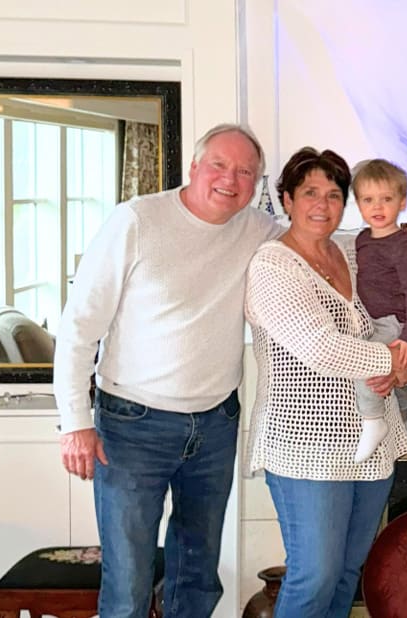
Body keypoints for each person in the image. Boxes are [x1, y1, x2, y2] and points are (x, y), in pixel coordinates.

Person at [54, 124, 285, 617]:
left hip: (216, 425)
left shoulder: (260, 230)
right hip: (132, 426)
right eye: (220, 165)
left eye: (246, 172)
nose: (231, 179)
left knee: (199, 577)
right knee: (130, 578)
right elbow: (78, 327)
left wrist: (396, 238)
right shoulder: (137, 221)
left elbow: (319, 241)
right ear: (195, 167)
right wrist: (74, 421)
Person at [244, 146, 407, 618]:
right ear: (287, 199)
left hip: (369, 443)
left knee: (345, 574)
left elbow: (393, 315)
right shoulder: (272, 265)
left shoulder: (353, 255)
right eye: (310, 192)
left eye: (335, 194)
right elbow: (322, 348)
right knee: (314, 575)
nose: (322, 204)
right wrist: (392, 361)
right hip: (305, 444)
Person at [350, 159, 407, 462]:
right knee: (394, 383)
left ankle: (373, 422)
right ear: (357, 203)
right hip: (380, 322)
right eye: (368, 200)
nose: (377, 207)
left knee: (364, 363)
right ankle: (403, 427)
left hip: (401, 322)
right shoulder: (362, 239)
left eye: (386, 199)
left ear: (402, 201)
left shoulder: (404, 247)